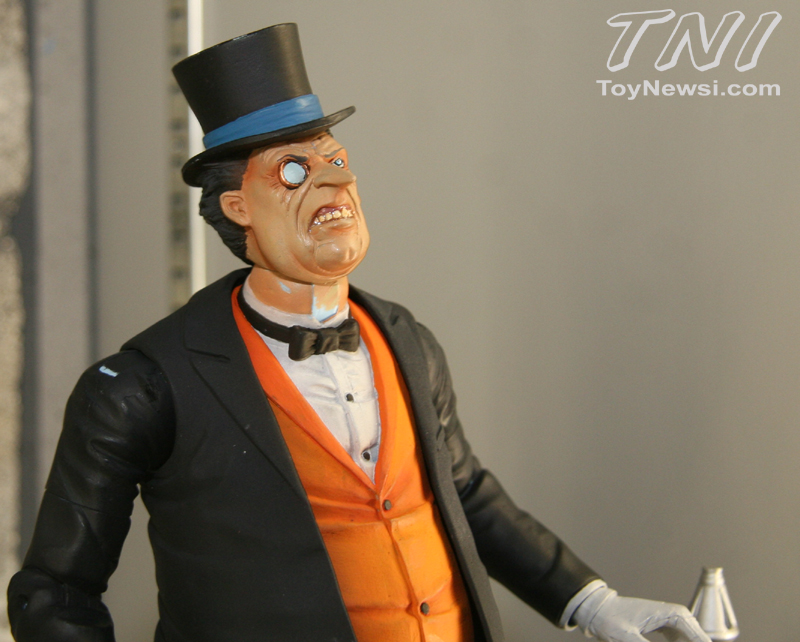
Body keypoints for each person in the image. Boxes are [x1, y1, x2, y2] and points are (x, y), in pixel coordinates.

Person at [7, 23, 712, 642]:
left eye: (336, 161)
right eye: (293, 171)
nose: (333, 185)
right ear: (237, 206)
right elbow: (56, 591)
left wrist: (593, 602)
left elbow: (465, 492)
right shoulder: (145, 387)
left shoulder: (407, 341)